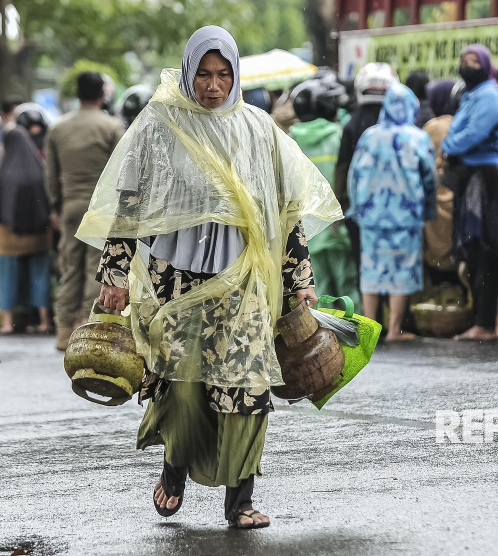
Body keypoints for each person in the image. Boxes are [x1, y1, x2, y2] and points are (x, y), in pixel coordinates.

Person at [79, 26, 341, 528]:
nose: (214, 85)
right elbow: (130, 205)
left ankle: (240, 501)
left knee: (245, 388)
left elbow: (287, 214)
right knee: (183, 388)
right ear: (188, 71)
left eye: (224, 74)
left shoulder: (259, 129)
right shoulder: (159, 126)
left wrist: (298, 279)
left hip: (243, 284)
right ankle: (174, 470)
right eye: (204, 73)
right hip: (175, 284)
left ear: (235, 75)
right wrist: (114, 274)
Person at [443, 44, 498, 341]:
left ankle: (490, 323)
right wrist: (452, 141)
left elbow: (471, 134)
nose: (467, 65)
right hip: (472, 177)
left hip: (485, 178)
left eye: (473, 61)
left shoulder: (489, 95)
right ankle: (492, 321)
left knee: (487, 249)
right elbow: (456, 132)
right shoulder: (472, 96)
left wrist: (449, 145)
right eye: (464, 60)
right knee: (481, 252)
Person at [347, 83, 437, 340]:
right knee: (401, 269)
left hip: (371, 213)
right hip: (405, 215)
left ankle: (370, 329)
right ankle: (395, 330)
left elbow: (354, 174)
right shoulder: (417, 137)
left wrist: (356, 206)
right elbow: (429, 176)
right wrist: (428, 209)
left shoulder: (369, 135)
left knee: (371, 269)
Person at [44, 71, 124, 350]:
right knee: (95, 268)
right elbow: (121, 173)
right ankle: (85, 327)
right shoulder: (112, 127)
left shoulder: (58, 127)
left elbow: (50, 174)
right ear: (103, 94)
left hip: (69, 206)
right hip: (100, 208)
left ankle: (63, 331)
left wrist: (55, 205)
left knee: (69, 267)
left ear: (77, 94)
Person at [289, 77, 362, 312]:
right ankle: (355, 335)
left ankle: (327, 338)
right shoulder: (338, 135)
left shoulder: (290, 139)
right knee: (347, 283)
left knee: (317, 288)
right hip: (335, 223)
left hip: (306, 229)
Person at [335, 63, 399, 270]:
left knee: (365, 265)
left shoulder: (352, 124)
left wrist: (342, 206)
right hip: (395, 207)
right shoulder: (400, 124)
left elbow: (343, 169)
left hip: (361, 209)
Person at [0, 125, 52, 334]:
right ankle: (44, 321)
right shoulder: (40, 168)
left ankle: (6, 322)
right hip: (39, 235)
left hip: (9, 236)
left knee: (7, 276)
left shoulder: (5, 171)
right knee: (40, 276)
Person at [422, 80, 459, 283]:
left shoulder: (431, 127)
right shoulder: (461, 124)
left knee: (437, 248)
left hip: (436, 195)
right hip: (457, 194)